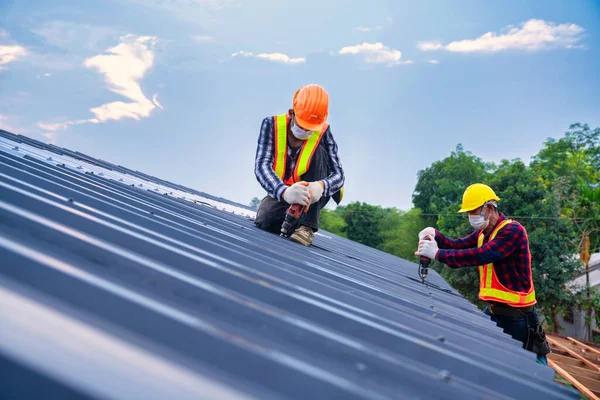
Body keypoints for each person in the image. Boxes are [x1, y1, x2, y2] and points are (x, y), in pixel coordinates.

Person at [415, 183, 551, 365]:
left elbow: (482, 255)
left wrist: (437, 254)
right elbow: (457, 245)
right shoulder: (482, 233)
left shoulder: (513, 231)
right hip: (494, 311)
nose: (471, 217)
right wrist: (436, 236)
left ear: (489, 208)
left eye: (474, 211)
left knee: (526, 367)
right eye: (469, 212)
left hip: (517, 317)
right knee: (482, 356)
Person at [253, 84, 345, 246]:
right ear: (293, 112)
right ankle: (292, 222)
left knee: (319, 152)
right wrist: (285, 192)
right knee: (265, 220)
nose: (307, 132)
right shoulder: (271, 125)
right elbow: (262, 166)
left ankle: (306, 227)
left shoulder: (324, 133)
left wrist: (321, 186)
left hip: (315, 195)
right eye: (303, 126)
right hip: (284, 193)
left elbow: (339, 175)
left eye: (311, 129)